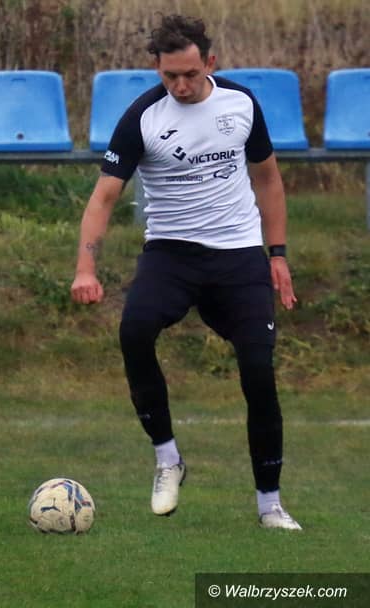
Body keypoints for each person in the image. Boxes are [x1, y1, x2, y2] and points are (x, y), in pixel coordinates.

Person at [70, 15, 301, 530]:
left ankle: (270, 505)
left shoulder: (241, 104)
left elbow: (268, 179)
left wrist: (277, 253)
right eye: (170, 75)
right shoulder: (142, 117)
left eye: (190, 75)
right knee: (134, 330)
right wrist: (86, 267)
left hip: (238, 255)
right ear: (157, 68)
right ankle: (167, 458)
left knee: (258, 373)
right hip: (171, 253)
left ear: (210, 63)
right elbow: (104, 197)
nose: (180, 85)